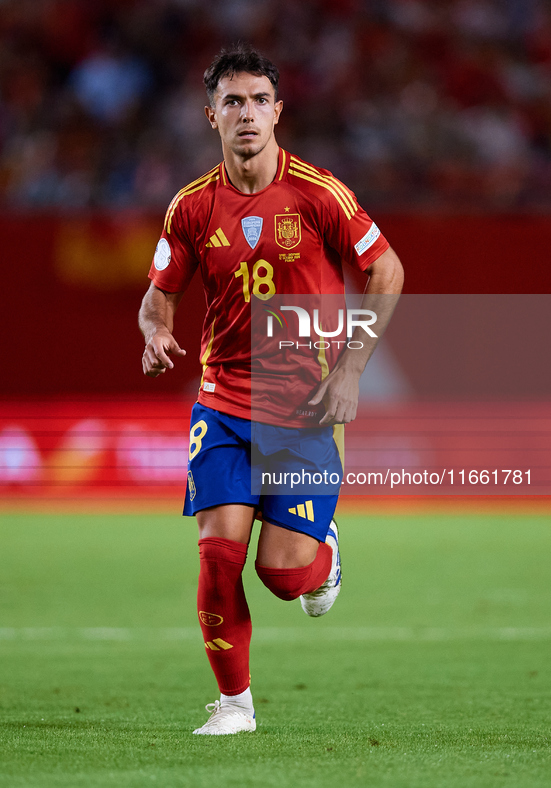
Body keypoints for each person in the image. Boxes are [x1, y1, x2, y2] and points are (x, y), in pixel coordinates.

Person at [138, 44, 404, 735]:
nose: (246, 114)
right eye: (232, 102)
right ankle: (234, 706)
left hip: (304, 409)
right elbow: (157, 294)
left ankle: (323, 555)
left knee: (284, 578)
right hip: (223, 401)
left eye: (258, 100)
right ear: (211, 117)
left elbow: (386, 271)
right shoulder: (191, 207)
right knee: (218, 555)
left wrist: (348, 370)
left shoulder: (318, 193)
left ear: (278, 111)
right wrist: (153, 331)